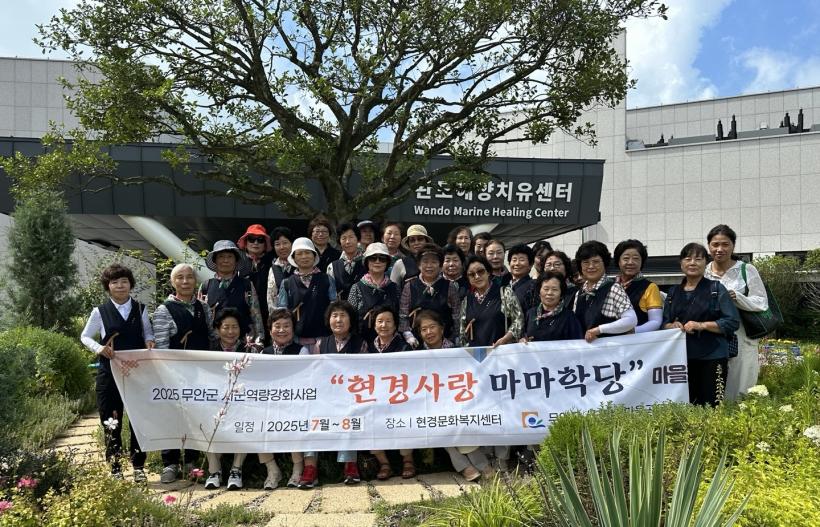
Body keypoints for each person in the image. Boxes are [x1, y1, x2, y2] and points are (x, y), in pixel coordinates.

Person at [80, 264, 155, 482]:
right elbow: (85, 336)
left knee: (138, 420)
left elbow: (148, 333)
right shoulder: (100, 312)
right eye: (114, 282)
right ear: (108, 286)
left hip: (138, 374)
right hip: (109, 373)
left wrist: (150, 341)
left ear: (130, 284)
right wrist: (99, 348)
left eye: (124, 281)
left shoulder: (140, 309)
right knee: (111, 421)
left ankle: (139, 467)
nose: (120, 285)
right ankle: (115, 468)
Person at [459, 255, 523, 471]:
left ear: (488, 272)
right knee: (483, 407)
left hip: (502, 358)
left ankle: (502, 457)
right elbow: (462, 332)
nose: (477, 276)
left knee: (503, 406)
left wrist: (507, 338)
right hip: (478, 361)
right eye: (471, 274)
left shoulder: (504, 293)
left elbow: (518, 320)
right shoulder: (467, 300)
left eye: (480, 271)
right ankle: (487, 453)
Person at [153, 263, 214, 483]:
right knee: (172, 416)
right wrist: (169, 373)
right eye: (180, 277)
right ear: (173, 282)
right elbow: (161, 347)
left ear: (196, 281)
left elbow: (210, 337)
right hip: (174, 374)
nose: (185, 281)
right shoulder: (164, 310)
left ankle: (191, 461)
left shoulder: (203, 308)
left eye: (189, 277)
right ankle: (170, 463)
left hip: (200, 374)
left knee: (195, 416)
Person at [415, 310, 492, 481]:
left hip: (458, 400)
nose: (429, 332)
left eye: (432, 327)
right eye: (424, 329)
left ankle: (477, 465)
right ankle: (469, 466)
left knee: (459, 423)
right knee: (438, 424)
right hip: (431, 403)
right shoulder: (416, 355)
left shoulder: (457, 350)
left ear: (442, 329)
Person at [298, 301, 366, 488]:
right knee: (311, 417)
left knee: (350, 416)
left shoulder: (360, 344)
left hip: (351, 397)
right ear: (329, 320)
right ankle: (310, 468)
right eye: (334, 316)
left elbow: (364, 373)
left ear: (351, 320)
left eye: (343, 315)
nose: (338, 320)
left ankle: (349, 464)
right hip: (325, 398)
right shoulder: (321, 344)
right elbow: (315, 373)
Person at [663, 243, 740, 406]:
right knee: (684, 405)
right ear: (681, 263)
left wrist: (701, 325)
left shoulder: (716, 288)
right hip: (680, 359)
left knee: (710, 406)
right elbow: (664, 323)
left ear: (706, 263)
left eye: (698, 259)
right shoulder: (673, 292)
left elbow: (732, 322)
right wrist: (671, 326)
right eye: (688, 259)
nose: (693, 263)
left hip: (712, 357)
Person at [704, 224, 768, 400]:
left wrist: (738, 297)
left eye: (725, 244)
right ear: (709, 246)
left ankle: (740, 414)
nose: (720, 249)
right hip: (712, 335)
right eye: (715, 244)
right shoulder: (704, 271)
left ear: (733, 246)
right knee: (714, 383)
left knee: (742, 384)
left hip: (742, 336)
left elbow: (762, 302)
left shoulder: (746, 270)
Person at [260, 308, 311, 488]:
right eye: (277, 326)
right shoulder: (263, 354)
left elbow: (304, 379)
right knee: (256, 423)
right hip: (269, 405)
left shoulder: (301, 351)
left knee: (293, 422)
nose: (282, 330)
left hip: (294, 403)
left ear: (293, 329)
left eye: (286, 326)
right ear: (270, 330)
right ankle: (272, 469)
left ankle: (297, 469)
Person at [205, 308, 252, 490]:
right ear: (217, 329)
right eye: (226, 327)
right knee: (203, 418)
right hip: (214, 401)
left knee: (247, 421)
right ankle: (214, 470)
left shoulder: (250, 349)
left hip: (243, 401)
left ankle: (236, 469)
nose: (230, 332)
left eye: (235, 327)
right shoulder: (208, 350)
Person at [367, 305, 414, 479]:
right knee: (369, 420)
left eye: (388, 321)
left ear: (395, 325)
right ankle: (384, 463)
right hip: (374, 397)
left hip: (398, 395)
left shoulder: (403, 347)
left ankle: (408, 460)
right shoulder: (368, 347)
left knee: (402, 419)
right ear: (374, 325)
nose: (384, 325)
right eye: (380, 321)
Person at [571, 241, 637, 342]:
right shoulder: (579, 294)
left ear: (605, 263)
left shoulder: (614, 289)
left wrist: (599, 330)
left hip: (611, 350)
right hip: (585, 350)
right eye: (586, 262)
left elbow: (631, 320)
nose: (591, 266)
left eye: (596, 262)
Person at [276, 237, 337, 345]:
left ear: (314, 256)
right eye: (299, 254)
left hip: (324, 339)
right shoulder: (286, 283)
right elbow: (282, 313)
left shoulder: (327, 280)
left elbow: (334, 308)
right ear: (294, 258)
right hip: (295, 341)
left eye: (308, 253)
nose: (304, 256)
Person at [199, 240, 263, 340]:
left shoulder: (246, 285)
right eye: (221, 257)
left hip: (243, 341)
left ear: (236, 260)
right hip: (214, 342)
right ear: (215, 261)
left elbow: (256, 315)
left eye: (230, 257)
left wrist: (259, 340)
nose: (226, 260)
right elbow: (200, 317)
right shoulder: (206, 286)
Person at [398, 243, 460, 347]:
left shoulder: (450, 286)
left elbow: (457, 316)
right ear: (418, 265)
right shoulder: (409, 286)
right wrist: (409, 336)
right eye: (425, 261)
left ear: (440, 266)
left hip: (445, 344)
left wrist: (454, 339)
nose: (429, 266)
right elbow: (403, 316)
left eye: (434, 262)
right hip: (416, 344)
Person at [348, 243, 402, 343]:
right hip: (362, 342)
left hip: (390, 341)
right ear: (366, 262)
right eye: (373, 258)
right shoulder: (356, 287)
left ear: (387, 263)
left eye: (382, 259)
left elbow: (400, 315)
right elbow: (350, 318)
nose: (377, 261)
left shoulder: (395, 287)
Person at [613, 239, 663, 333]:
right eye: (626, 258)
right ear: (618, 261)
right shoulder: (609, 285)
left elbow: (655, 321)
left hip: (636, 340)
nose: (630, 262)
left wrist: (633, 331)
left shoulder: (650, 287)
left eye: (636, 258)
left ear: (642, 262)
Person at [521, 271, 583, 342]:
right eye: (546, 289)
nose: (549, 293)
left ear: (561, 294)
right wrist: (522, 340)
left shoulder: (569, 318)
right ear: (539, 292)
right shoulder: (530, 313)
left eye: (554, 289)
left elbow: (577, 344)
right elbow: (523, 335)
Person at [238, 224, 274, 342]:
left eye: (260, 240)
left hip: (267, 314)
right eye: (251, 239)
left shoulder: (272, 262)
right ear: (246, 242)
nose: (256, 243)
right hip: (243, 314)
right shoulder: (238, 262)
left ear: (265, 244)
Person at [327, 222, 365, 301]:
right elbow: (331, 294)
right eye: (344, 238)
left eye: (351, 237)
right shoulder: (332, 267)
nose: (347, 241)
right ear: (339, 241)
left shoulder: (367, 262)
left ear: (357, 239)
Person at [266, 226, 296, 309]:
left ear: (292, 243)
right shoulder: (273, 269)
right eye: (277, 244)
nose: (282, 247)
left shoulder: (300, 265)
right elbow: (271, 298)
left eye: (285, 243)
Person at [507, 244, 536, 311]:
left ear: (530, 265)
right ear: (509, 263)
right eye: (514, 260)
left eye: (522, 260)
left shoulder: (534, 286)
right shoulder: (505, 286)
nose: (517, 263)